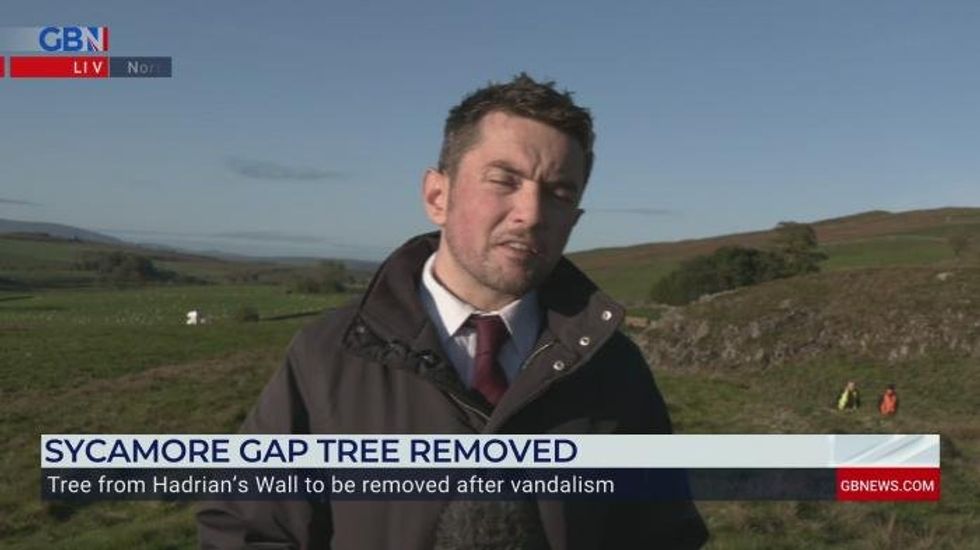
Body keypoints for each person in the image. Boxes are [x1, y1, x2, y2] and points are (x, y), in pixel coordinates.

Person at [197, 73, 708, 549]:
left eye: (557, 192)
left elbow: (663, 536)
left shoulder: (614, 370)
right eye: (503, 180)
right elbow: (249, 529)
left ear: (574, 219)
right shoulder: (327, 357)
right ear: (437, 196)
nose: (531, 215)